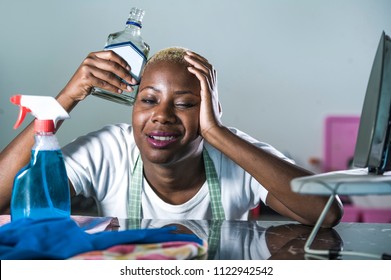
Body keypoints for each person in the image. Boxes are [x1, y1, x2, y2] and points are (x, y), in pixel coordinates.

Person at [0, 47, 343, 226]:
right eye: (148, 100)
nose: (161, 116)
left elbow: (327, 213)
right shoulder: (108, 150)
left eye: (185, 104)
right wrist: (66, 98)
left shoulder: (237, 156)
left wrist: (216, 133)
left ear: (211, 109)